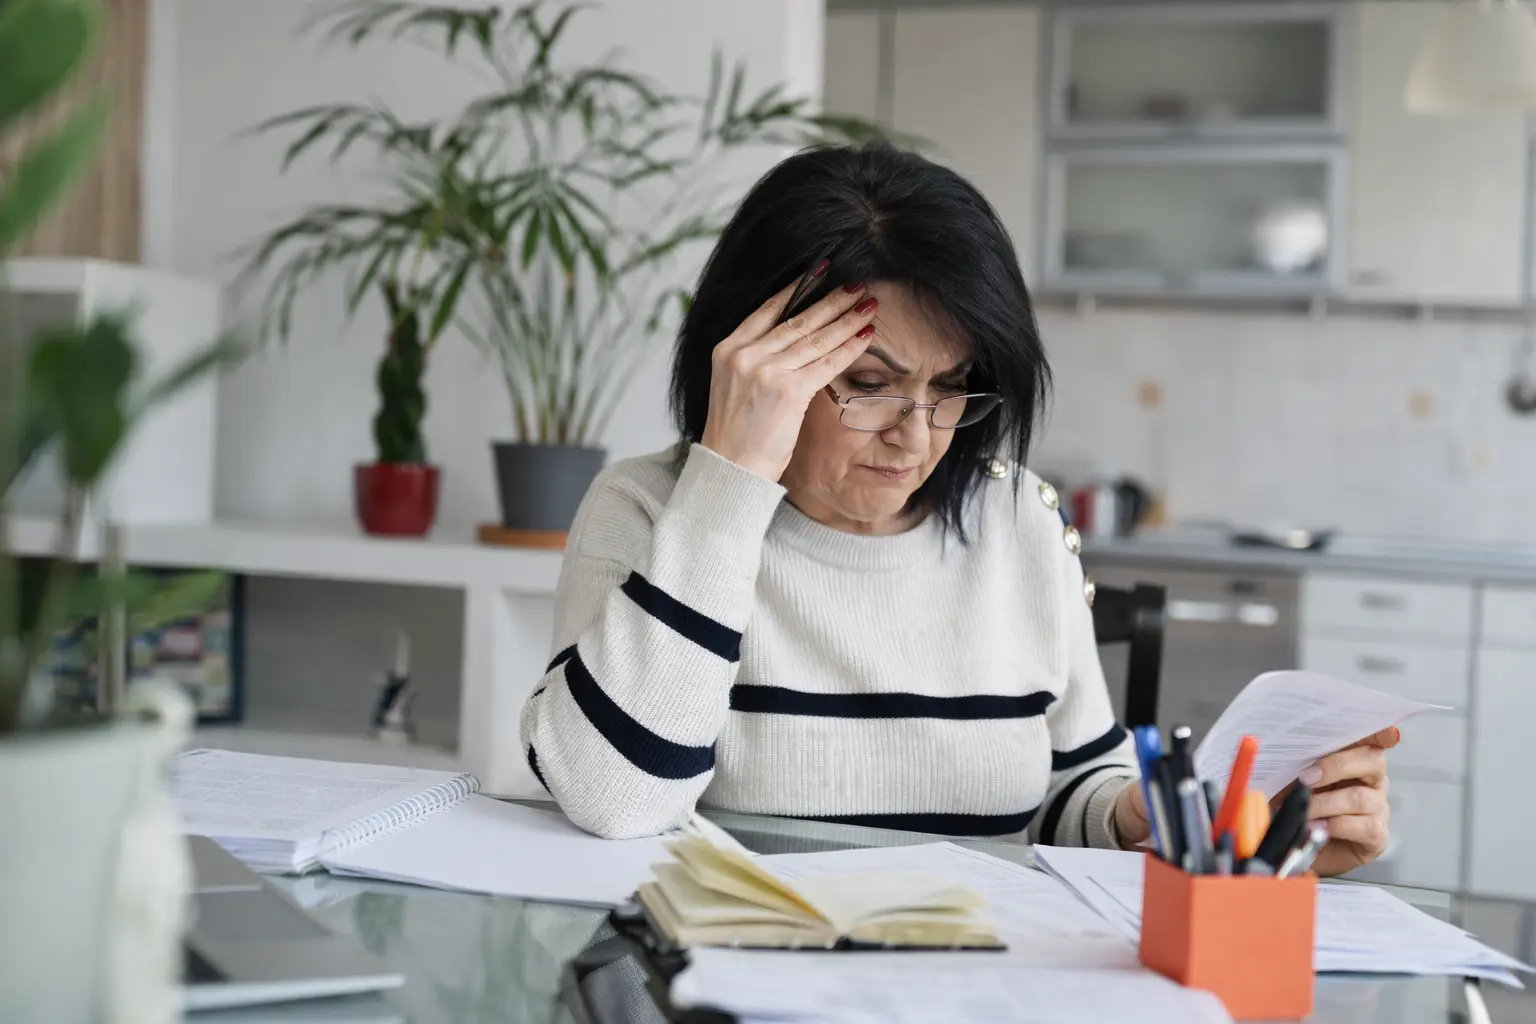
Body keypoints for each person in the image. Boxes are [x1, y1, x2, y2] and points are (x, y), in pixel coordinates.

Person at [520, 142, 1394, 875]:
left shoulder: (1019, 522)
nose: (918, 436)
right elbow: (616, 801)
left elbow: (1067, 799)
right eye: (868, 385)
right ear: (754, 361)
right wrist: (728, 482)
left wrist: (1192, 828)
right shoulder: (650, 512)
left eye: (952, 387)